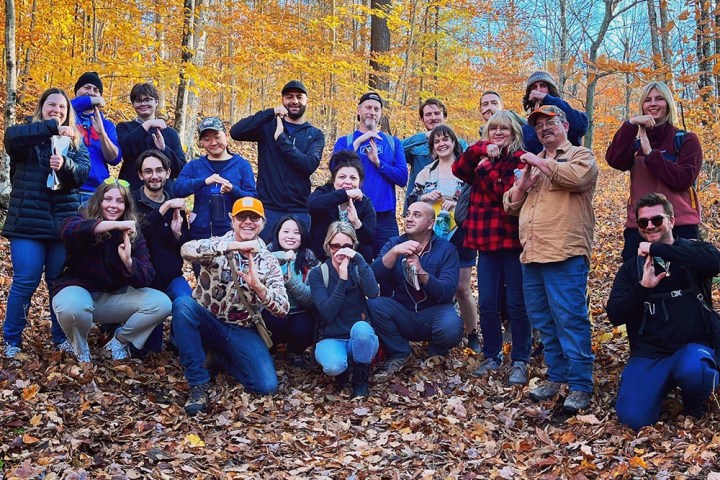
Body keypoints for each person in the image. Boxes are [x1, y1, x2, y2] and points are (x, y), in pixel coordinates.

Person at [503, 105, 598, 413]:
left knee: (570, 318)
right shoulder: (533, 164)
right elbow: (510, 205)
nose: (544, 128)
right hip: (532, 254)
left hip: (565, 252)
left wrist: (538, 164)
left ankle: (581, 384)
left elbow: (577, 179)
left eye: (550, 122)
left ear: (565, 125)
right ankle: (557, 378)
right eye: (539, 125)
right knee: (544, 321)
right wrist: (522, 185)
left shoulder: (580, 156)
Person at [606, 193, 720, 430]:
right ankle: (658, 386)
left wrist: (659, 250)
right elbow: (614, 315)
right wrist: (642, 288)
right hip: (651, 354)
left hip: (692, 348)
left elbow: (714, 262)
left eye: (656, 220)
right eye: (643, 222)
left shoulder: (692, 252)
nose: (650, 226)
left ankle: (694, 396)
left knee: (697, 373)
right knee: (633, 418)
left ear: (671, 221)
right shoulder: (631, 269)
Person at [173, 197, 289, 415]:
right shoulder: (217, 245)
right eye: (241, 217)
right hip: (206, 320)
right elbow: (187, 250)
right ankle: (198, 383)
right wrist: (232, 246)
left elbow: (283, 308)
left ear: (262, 223)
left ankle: (222, 358)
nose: (247, 222)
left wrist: (259, 288)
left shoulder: (269, 261)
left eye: (254, 218)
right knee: (182, 305)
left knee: (265, 386)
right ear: (232, 220)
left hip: (241, 328)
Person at [2, 88, 90, 358]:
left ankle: (59, 337)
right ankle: (11, 340)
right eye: (52, 105)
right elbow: (10, 139)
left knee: (57, 283)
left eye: (62, 107)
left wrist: (65, 164)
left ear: (69, 112)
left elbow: (82, 174)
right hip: (28, 224)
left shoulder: (75, 141)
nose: (57, 110)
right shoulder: (26, 135)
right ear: (42, 107)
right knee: (25, 281)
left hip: (61, 225)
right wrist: (52, 127)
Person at [51, 179, 172, 363]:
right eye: (108, 199)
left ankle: (119, 341)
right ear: (99, 201)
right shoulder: (82, 221)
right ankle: (80, 348)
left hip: (112, 300)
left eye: (119, 201)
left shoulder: (132, 234)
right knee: (72, 309)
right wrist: (114, 225)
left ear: (126, 205)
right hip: (78, 293)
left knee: (161, 303)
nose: (113, 205)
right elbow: (68, 230)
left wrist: (129, 262)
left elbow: (147, 275)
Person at [453, 111, 532, 384]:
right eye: (493, 129)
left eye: (504, 129)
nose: (498, 133)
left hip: (511, 242)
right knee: (487, 303)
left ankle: (521, 359)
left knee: (516, 303)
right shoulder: (480, 155)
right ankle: (492, 355)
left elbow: (503, 193)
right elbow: (458, 169)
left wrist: (486, 167)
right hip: (485, 243)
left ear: (514, 133)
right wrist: (481, 150)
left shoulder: (521, 159)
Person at [605, 81, 703, 261]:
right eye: (647, 100)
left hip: (680, 226)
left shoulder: (686, 140)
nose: (653, 104)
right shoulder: (634, 144)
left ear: (668, 104)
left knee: (687, 285)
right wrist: (630, 124)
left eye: (659, 99)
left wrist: (651, 155)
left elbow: (683, 179)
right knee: (638, 284)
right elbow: (614, 159)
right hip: (640, 227)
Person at [407, 124, 480, 355]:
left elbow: (479, 201)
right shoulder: (425, 172)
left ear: (454, 142)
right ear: (432, 147)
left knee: (461, 287)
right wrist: (424, 197)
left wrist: (457, 205)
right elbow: (411, 204)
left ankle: (472, 334)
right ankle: (439, 333)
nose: (442, 144)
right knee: (433, 283)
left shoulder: (468, 170)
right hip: (433, 236)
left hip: (461, 233)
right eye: (437, 141)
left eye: (445, 139)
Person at [369, 202, 463, 380]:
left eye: (417, 215)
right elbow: (372, 279)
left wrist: (421, 272)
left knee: (451, 325)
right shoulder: (393, 244)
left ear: (430, 224)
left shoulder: (446, 250)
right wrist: (394, 253)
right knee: (373, 305)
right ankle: (400, 352)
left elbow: (447, 292)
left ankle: (436, 352)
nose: (409, 218)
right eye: (408, 214)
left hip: (432, 312)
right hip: (401, 311)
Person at [230, 80, 325, 239]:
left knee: (297, 260)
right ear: (282, 100)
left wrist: (281, 139)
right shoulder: (267, 127)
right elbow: (236, 132)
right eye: (289, 97)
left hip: (299, 210)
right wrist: (270, 112)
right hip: (268, 208)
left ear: (306, 101)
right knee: (265, 257)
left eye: (299, 97)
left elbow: (308, 165)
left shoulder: (315, 134)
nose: (294, 101)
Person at [308, 222, 380, 397]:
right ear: (328, 246)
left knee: (362, 329)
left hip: (360, 338)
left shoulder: (358, 269)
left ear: (353, 247)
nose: (340, 250)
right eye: (335, 245)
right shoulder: (319, 273)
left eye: (346, 246)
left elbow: (373, 293)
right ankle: (343, 372)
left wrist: (359, 260)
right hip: (331, 338)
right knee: (334, 366)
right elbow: (327, 312)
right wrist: (342, 280)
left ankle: (361, 377)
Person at [333, 92, 408, 256]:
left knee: (390, 269)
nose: (372, 112)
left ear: (381, 113)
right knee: (356, 269)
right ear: (359, 110)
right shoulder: (345, 141)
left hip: (385, 217)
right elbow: (334, 167)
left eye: (376, 109)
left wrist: (378, 163)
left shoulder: (392, 142)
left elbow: (403, 178)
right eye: (368, 107)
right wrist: (359, 142)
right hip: (352, 214)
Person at [132, 149, 192, 353]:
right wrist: (163, 208)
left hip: (171, 277)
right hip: (143, 282)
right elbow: (137, 232)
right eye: (148, 171)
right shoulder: (131, 202)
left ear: (168, 173)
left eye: (159, 170)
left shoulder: (177, 205)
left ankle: (180, 343)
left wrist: (177, 235)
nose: (154, 176)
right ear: (140, 175)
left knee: (186, 303)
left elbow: (185, 246)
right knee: (148, 351)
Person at [174, 117, 257, 241]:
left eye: (217, 137)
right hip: (200, 233)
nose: (213, 143)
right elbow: (177, 189)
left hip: (233, 234)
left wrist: (233, 190)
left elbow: (252, 198)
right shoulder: (195, 165)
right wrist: (204, 181)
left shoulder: (241, 165)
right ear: (201, 142)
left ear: (226, 135)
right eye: (207, 139)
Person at [264, 215, 319, 369]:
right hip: (271, 311)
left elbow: (309, 299)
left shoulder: (309, 259)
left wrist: (290, 281)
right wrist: (282, 257)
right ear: (277, 233)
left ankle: (296, 351)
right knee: (274, 323)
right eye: (286, 231)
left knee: (302, 328)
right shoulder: (265, 255)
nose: (290, 236)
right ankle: (270, 348)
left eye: (296, 232)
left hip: (299, 310)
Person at [307, 150, 377, 262]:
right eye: (342, 177)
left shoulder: (364, 202)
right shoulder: (324, 192)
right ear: (334, 180)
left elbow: (369, 238)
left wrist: (356, 222)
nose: (347, 182)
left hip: (354, 261)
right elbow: (312, 205)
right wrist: (345, 194)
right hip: (322, 259)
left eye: (353, 178)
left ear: (359, 182)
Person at [117, 82, 186, 192]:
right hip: (132, 194)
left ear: (156, 102)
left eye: (148, 100)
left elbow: (180, 169)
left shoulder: (169, 133)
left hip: (164, 196)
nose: (143, 104)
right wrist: (147, 125)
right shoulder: (124, 128)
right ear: (133, 104)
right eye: (138, 101)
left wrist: (164, 149)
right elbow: (125, 150)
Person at [402, 98, 467, 207]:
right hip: (420, 209)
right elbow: (395, 151)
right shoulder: (416, 144)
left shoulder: (460, 144)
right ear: (422, 119)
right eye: (428, 114)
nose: (433, 117)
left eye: (437, 113)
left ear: (444, 116)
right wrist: (425, 136)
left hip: (456, 214)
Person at [70, 71, 122, 202]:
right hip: (69, 190)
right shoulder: (67, 117)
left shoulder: (107, 124)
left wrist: (102, 134)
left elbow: (115, 159)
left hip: (96, 192)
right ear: (76, 91)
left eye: (96, 90)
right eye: (86, 87)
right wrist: (93, 100)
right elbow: (66, 105)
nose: (91, 92)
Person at [520, 71, 588, 154]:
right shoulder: (525, 129)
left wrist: (545, 98)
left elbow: (580, 126)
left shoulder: (571, 117)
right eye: (533, 87)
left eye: (543, 86)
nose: (538, 90)